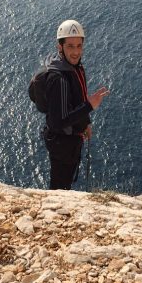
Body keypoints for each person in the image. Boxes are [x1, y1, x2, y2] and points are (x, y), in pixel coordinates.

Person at [42, 20, 109, 189]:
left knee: (64, 184)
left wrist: (85, 122)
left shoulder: (74, 68)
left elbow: (76, 100)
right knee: (60, 188)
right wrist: (89, 106)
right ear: (60, 47)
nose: (76, 52)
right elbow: (59, 121)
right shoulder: (59, 79)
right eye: (70, 46)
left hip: (70, 139)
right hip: (62, 143)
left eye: (79, 46)